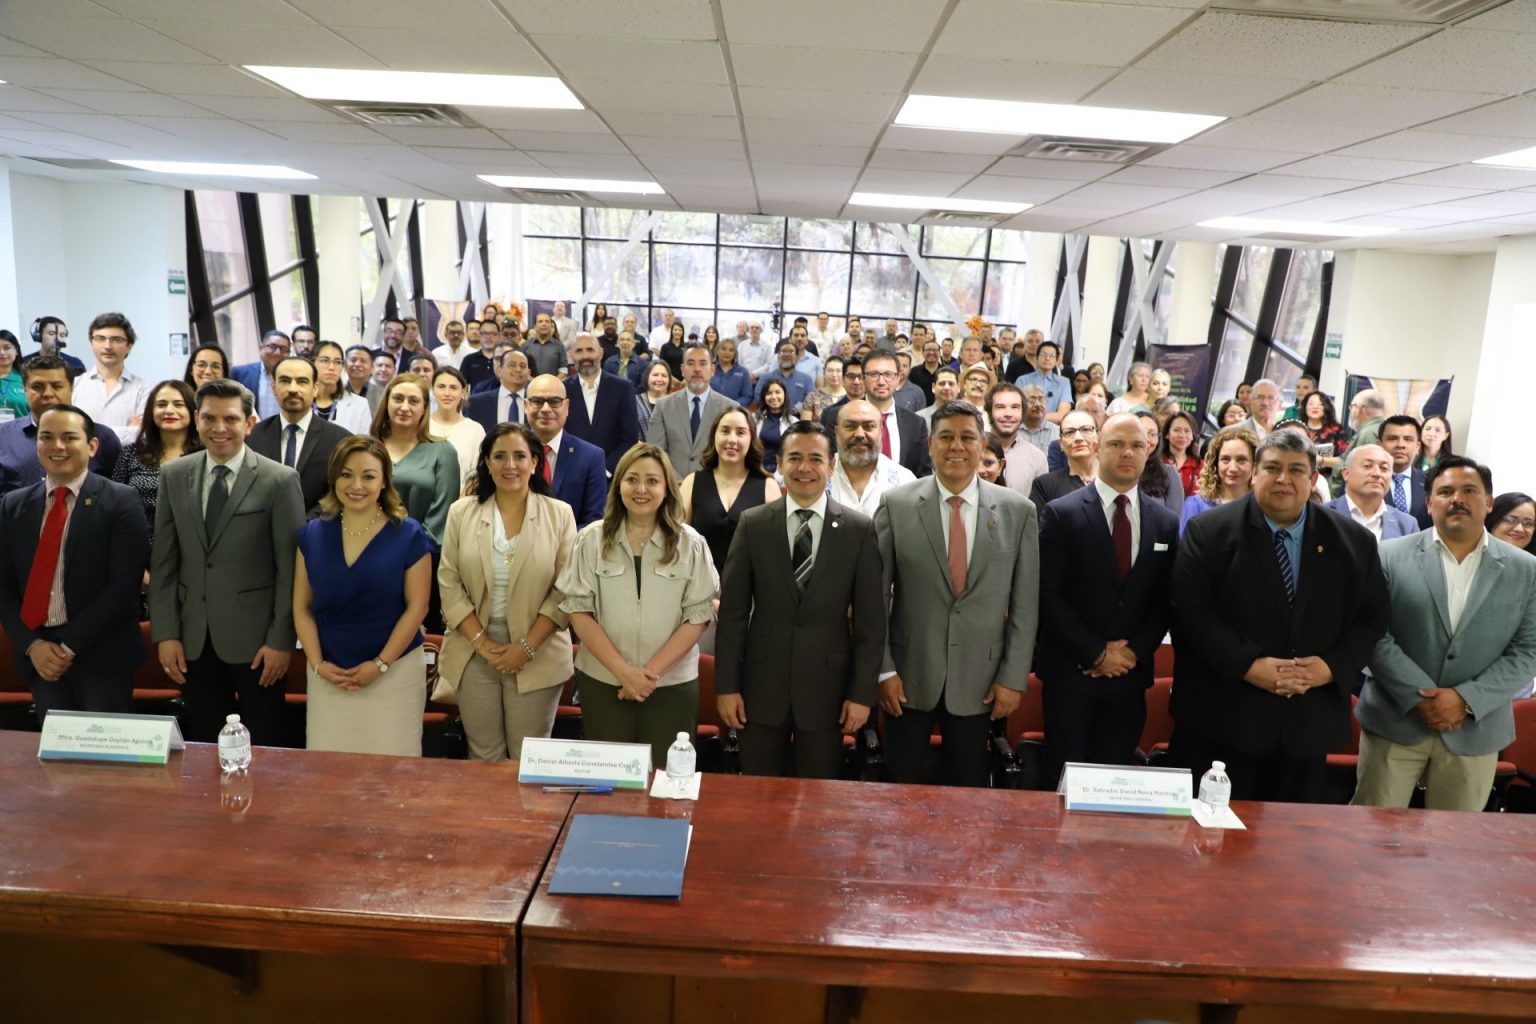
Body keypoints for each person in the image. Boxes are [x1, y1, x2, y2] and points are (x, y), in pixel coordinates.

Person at [1168, 430, 1389, 803]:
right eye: (1272, 468)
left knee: (1291, 837)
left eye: (1296, 470)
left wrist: (1330, 667)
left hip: (1307, 724)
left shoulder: (1353, 541)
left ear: (1313, 478)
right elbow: (1189, 612)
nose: (1283, 478)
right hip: (1222, 720)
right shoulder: (1209, 531)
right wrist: (1248, 665)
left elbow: (1372, 618)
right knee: (1211, 834)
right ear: (1255, 473)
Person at [1354, 456, 1536, 812]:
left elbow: (1528, 650)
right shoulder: (1388, 555)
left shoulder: (1527, 570)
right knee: (1371, 832)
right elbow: (1373, 634)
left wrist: (1465, 700)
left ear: (1489, 502)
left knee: (1456, 840)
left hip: (1476, 728)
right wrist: (1420, 697)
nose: (1458, 499)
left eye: (1469, 491)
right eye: (1446, 491)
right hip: (1395, 720)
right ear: (1429, 503)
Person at [876, 400, 1038, 787]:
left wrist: (1013, 678)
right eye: (946, 437)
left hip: (982, 682)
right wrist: (883, 670)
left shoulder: (1019, 511)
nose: (956, 446)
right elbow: (875, 599)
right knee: (898, 793)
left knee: (968, 796)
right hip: (906, 678)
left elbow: (1025, 606)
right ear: (930, 444)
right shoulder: (896, 505)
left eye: (967, 437)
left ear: (982, 445)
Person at [715, 422, 884, 779]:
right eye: (794, 458)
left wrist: (861, 694)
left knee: (818, 800)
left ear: (832, 465)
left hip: (829, 696)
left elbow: (870, 625)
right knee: (759, 797)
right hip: (760, 692)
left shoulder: (859, 530)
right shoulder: (753, 524)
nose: (804, 468)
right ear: (779, 464)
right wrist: (727, 687)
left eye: (815, 459)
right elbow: (732, 615)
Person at [149, 379, 305, 744]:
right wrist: (167, 634)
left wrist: (281, 640)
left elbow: (291, 569)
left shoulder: (280, 480)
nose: (220, 428)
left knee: (265, 745)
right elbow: (164, 562)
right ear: (196, 420)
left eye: (231, 419)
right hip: (193, 640)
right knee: (204, 744)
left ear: (248, 423)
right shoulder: (174, 474)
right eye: (210, 418)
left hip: (259, 645)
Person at [556, 443, 718, 768]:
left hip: (670, 685)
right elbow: (578, 610)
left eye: (652, 481)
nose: (641, 489)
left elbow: (698, 616)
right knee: (608, 780)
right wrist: (623, 672)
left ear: (667, 488)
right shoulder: (590, 539)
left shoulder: (691, 544)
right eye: (632, 479)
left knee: (666, 778)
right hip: (604, 682)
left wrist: (647, 675)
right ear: (618, 486)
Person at [1037, 413, 1179, 778]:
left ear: (1148, 451)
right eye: (1116, 444)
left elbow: (1166, 600)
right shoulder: (1061, 513)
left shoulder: (1164, 521)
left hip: (1128, 680)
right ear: (1098, 447)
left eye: (1136, 445)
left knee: (1114, 784)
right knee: (1063, 784)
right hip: (1071, 677)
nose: (1127, 453)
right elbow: (1047, 594)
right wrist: (1096, 653)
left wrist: (1131, 653)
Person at [0, 405, 149, 721]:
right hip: (41, 658)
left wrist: (67, 647)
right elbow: (4, 585)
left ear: (92, 446)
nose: (57, 446)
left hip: (102, 655)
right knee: (55, 750)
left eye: (69, 437)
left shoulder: (121, 500)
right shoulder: (13, 505)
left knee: (104, 749)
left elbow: (124, 584)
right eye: (46, 437)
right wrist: (32, 645)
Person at [437, 424, 576, 761]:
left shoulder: (559, 514)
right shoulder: (461, 512)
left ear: (535, 462)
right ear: (487, 462)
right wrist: (482, 643)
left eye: (519, 456)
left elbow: (566, 590)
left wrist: (525, 648)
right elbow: (448, 581)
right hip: (473, 650)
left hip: (538, 650)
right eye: (499, 456)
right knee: (484, 756)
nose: (509, 465)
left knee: (529, 759)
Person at [293, 436, 433, 756]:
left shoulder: (408, 534)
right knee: (329, 770)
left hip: (394, 673)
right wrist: (318, 665)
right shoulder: (312, 534)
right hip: (329, 674)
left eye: (368, 476)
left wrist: (380, 665)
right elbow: (301, 607)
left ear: (384, 481)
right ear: (334, 478)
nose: (356, 485)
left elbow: (417, 608)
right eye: (346, 474)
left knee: (393, 771)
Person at [680, 406, 781, 576]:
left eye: (740, 432)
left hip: (752, 587)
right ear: (714, 436)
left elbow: (776, 551)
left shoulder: (768, 487)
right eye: (725, 431)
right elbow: (677, 544)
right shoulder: (692, 483)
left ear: (751, 439)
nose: (732, 439)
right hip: (699, 585)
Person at [0, 354, 122, 494]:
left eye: (57, 386)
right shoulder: (3, 435)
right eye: (37, 387)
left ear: (71, 388)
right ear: (24, 389)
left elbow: (118, 494)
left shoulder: (102, 436)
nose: (47, 394)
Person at [248, 356, 353, 517]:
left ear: (315, 388)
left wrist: (305, 525)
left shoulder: (340, 440)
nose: (293, 389)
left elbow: (340, 492)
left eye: (302, 381)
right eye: (285, 381)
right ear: (274, 388)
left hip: (317, 528)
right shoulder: (252, 436)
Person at [369, 375, 459, 547]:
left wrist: (412, 551)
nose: (404, 407)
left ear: (424, 408)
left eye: (413, 401)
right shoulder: (366, 449)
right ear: (386, 403)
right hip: (366, 549)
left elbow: (441, 520)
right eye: (398, 399)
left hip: (420, 553)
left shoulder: (442, 452)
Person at [112, 380, 201, 554]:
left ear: (193, 411)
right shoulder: (131, 453)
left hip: (190, 552)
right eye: (161, 404)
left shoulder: (205, 455)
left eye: (179, 404)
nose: (169, 410)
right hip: (136, 550)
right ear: (150, 411)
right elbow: (114, 505)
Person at [526, 373, 607, 528]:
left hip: (571, 542)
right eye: (537, 401)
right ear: (525, 405)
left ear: (567, 406)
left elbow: (593, 523)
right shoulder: (510, 454)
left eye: (554, 402)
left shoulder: (591, 457)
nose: (546, 409)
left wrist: (559, 540)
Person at [647, 343, 738, 480]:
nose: (697, 369)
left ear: (712, 370)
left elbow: (732, 454)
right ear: (682, 370)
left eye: (703, 363)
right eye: (690, 363)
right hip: (672, 485)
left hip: (714, 485)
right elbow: (655, 451)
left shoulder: (730, 408)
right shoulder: (663, 406)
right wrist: (677, 481)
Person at [563, 332, 642, 475]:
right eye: (579, 351)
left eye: (590, 350)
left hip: (611, 476)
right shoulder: (562, 390)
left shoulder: (623, 388)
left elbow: (629, 437)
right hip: (571, 473)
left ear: (600, 353)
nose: (585, 356)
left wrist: (603, 469)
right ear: (571, 355)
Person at [72, 313, 155, 446]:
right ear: (91, 343)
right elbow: (69, 433)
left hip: (128, 460)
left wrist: (87, 436)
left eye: (116, 339)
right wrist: (127, 431)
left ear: (129, 345)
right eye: (100, 338)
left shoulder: (144, 389)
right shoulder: (74, 385)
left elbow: (142, 434)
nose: (108, 346)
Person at [828, 399, 916, 518]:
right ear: (837, 432)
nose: (859, 434)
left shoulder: (904, 481)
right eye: (850, 426)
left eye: (869, 426)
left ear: (881, 432)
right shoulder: (818, 477)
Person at [1325, 444, 1420, 542]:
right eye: (1367, 466)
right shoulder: (1322, 516)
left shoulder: (1407, 525)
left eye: (1384, 468)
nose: (1377, 474)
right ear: (1346, 474)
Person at [861, 349, 931, 479]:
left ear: (898, 378)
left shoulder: (916, 424)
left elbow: (923, 475)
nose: (881, 381)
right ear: (863, 378)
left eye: (888, 374)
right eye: (874, 374)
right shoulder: (841, 418)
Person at [1180, 426, 1257, 534]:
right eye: (1225, 459)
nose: (1233, 468)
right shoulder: (1196, 505)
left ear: (1255, 464)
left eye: (1241, 460)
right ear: (1215, 463)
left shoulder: (1263, 506)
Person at [987, 383, 1049, 500]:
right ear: (989, 412)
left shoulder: (1037, 458)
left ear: (1023, 413)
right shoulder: (972, 452)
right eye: (1000, 407)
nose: (1008, 414)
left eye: (1015, 407)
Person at [1030, 409, 1099, 508]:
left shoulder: (1117, 479)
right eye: (1069, 432)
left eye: (1086, 430)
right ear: (1061, 443)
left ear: (1099, 436)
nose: (1078, 438)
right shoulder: (1045, 485)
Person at [429, 366, 485, 485]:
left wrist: (463, 496)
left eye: (453, 388)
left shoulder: (475, 430)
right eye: (441, 387)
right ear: (433, 390)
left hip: (463, 495)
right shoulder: (421, 426)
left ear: (463, 392)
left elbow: (478, 474)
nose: (447, 393)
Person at [1378, 414, 1432, 529]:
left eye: (1408, 439)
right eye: (1392, 438)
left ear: (1418, 447)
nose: (1400, 445)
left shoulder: (1430, 482)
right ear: (1379, 445)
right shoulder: (1363, 479)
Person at [310, 340, 372, 433]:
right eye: (325, 360)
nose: (332, 367)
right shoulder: (301, 400)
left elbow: (365, 440)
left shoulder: (360, 404)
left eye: (338, 362)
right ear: (312, 363)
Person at [231, 329, 291, 421]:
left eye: (283, 349)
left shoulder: (295, 377)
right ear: (261, 347)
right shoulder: (239, 373)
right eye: (272, 346)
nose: (277, 353)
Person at [468, 347, 531, 433]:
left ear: (528, 373)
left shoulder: (535, 403)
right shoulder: (476, 403)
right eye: (512, 365)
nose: (518, 369)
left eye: (522, 366)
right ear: (499, 370)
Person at [1015, 342, 1073, 424]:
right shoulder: (1022, 380)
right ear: (1037, 358)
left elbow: (1062, 415)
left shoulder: (1064, 382)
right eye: (1043, 354)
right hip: (1026, 426)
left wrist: (1034, 417)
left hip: (1053, 428)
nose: (1047, 358)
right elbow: (1017, 409)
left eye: (1052, 355)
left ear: (1056, 360)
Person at [755, 379, 797, 474]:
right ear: (764, 397)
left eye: (778, 392)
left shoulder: (794, 422)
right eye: (769, 393)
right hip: (758, 469)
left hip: (783, 472)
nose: (773, 397)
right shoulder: (755, 419)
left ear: (784, 395)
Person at [1161, 410, 1202, 497]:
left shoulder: (1200, 465)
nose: (1182, 435)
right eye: (1177, 430)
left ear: (1193, 435)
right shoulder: (1157, 461)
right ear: (1167, 434)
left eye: (1187, 431)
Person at [802, 354, 846, 425]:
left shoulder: (851, 396)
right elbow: (805, 426)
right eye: (830, 370)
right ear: (824, 372)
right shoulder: (812, 397)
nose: (834, 375)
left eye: (838, 371)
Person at [635, 360, 673, 436]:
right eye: (655, 375)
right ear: (647, 377)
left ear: (669, 379)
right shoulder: (634, 402)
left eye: (664, 376)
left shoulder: (677, 402)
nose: (659, 379)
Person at [0, 331, 29, 420]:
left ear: (16, 350)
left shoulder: (28, 378)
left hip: (24, 428)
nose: (2, 352)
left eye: (7, 348)